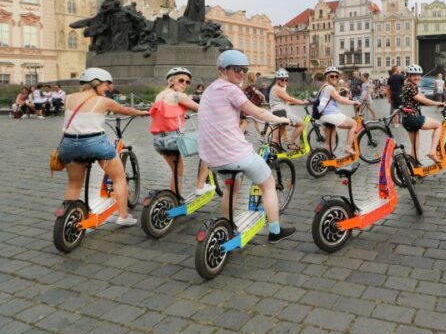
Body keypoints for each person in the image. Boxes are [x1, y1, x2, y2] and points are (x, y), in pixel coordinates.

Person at [198, 50, 295, 242]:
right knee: (268, 184)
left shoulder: (210, 90)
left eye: (244, 69)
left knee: (230, 187)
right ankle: (275, 231)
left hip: (212, 158)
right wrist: (280, 119)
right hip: (234, 154)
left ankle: (227, 227)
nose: (241, 73)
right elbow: (259, 113)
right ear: (222, 70)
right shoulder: (231, 89)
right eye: (237, 69)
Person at [58, 68, 148, 226]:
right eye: (107, 84)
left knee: (74, 184)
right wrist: (141, 112)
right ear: (96, 83)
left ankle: (68, 216)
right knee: (119, 178)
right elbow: (125, 110)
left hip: (68, 145)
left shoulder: (68, 97)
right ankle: (123, 216)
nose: (108, 88)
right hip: (94, 144)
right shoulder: (104, 101)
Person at [149, 67, 214, 197]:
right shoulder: (178, 95)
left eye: (187, 82)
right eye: (181, 80)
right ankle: (199, 187)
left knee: (176, 171)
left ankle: (174, 198)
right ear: (172, 81)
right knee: (208, 152)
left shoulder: (160, 95)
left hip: (158, 140)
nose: (185, 84)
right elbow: (200, 109)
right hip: (173, 139)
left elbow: (166, 112)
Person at [401, 65, 446, 163]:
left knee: (415, 147)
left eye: (418, 75)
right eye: (414, 75)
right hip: (413, 118)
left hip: (407, 119)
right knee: (438, 125)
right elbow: (424, 101)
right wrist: (438, 103)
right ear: (409, 76)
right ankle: (432, 152)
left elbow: (422, 97)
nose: (417, 77)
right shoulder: (410, 88)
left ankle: (415, 168)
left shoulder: (410, 86)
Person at [317, 66, 361, 156]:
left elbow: (339, 99)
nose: (334, 78)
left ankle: (326, 160)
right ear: (327, 77)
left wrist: (346, 99)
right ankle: (348, 147)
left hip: (323, 117)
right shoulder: (330, 88)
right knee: (353, 124)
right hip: (331, 115)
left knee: (330, 143)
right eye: (332, 76)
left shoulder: (323, 87)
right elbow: (341, 100)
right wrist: (354, 102)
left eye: (336, 76)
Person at [269, 68, 307, 149]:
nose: (284, 81)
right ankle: (291, 144)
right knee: (302, 124)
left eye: (286, 80)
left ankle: (274, 152)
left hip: (277, 112)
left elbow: (285, 101)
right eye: (282, 80)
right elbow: (289, 98)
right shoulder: (278, 89)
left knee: (277, 138)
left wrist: (293, 101)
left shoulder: (275, 88)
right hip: (281, 112)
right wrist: (302, 102)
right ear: (277, 80)